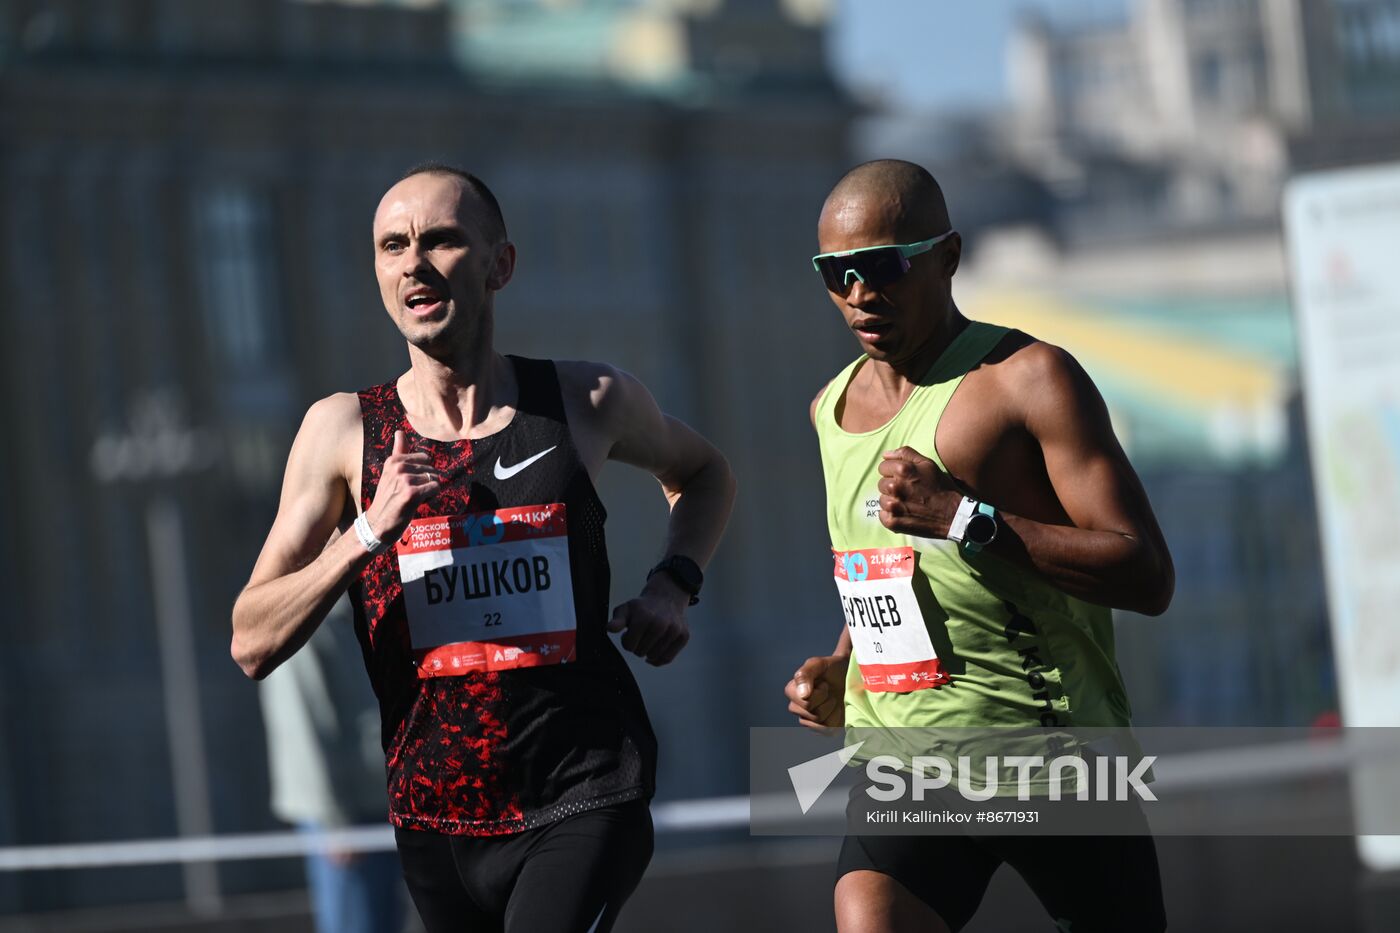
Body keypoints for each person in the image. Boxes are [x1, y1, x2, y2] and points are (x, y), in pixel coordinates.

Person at [232, 163, 736, 933]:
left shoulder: (584, 400)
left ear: (500, 264)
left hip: (584, 789)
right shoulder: (342, 432)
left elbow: (703, 473)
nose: (413, 264)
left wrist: (673, 581)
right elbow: (251, 638)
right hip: (437, 821)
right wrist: (365, 534)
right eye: (391, 246)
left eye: (440, 241)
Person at [783, 160, 1175, 933]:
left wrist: (967, 517)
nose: (860, 292)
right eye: (837, 272)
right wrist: (842, 663)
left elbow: (1146, 572)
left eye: (884, 266)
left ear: (948, 257)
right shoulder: (829, 408)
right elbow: (883, 568)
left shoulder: (1028, 380)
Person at [257, 595, 406, 933]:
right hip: (348, 813)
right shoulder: (307, 611)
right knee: (357, 921)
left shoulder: (353, 605)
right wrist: (334, 823)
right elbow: (302, 722)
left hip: (379, 800)